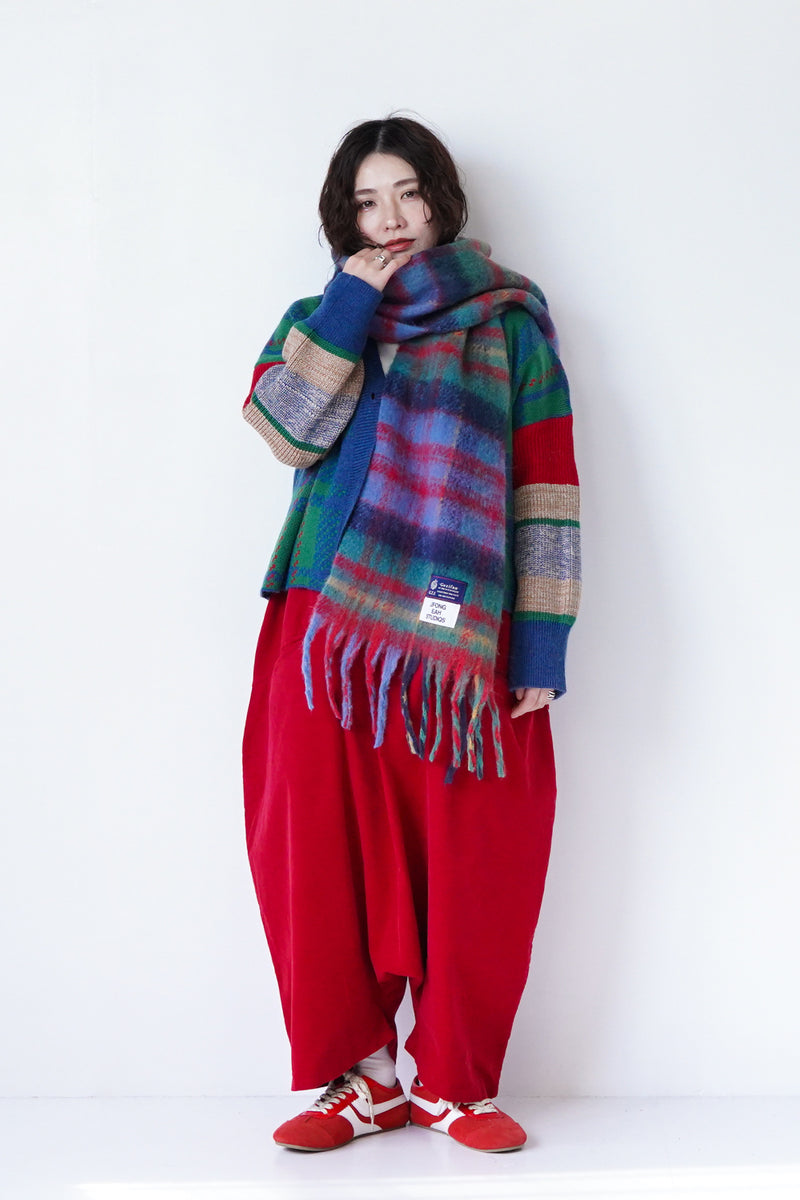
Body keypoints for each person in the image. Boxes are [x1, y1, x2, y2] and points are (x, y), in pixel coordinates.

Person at [241, 116, 580, 1154]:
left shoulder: (509, 326)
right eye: (365, 201)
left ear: (440, 200)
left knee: (479, 851)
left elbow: (545, 490)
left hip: (458, 636)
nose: (389, 218)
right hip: (323, 626)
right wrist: (352, 304)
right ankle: (361, 1080)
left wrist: (540, 644)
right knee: (313, 849)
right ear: (342, 217)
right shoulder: (319, 319)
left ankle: (452, 1083)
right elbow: (285, 429)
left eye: (407, 194)